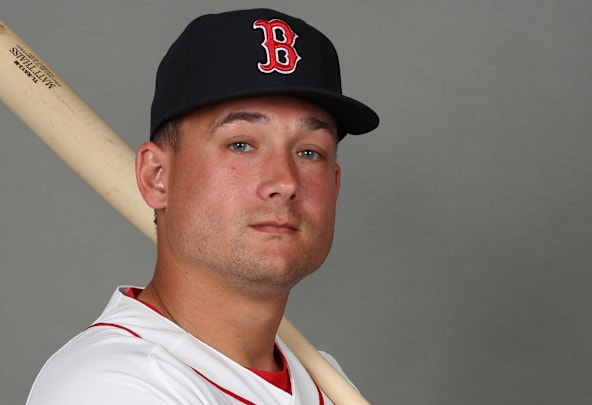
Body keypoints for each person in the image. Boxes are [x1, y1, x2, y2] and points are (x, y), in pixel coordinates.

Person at [26, 8, 378, 404]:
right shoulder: (109, 384)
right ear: (156, 176)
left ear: (334, 185)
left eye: (310, 152)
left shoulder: (323, 379)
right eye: (241, 144)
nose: (285, 181)